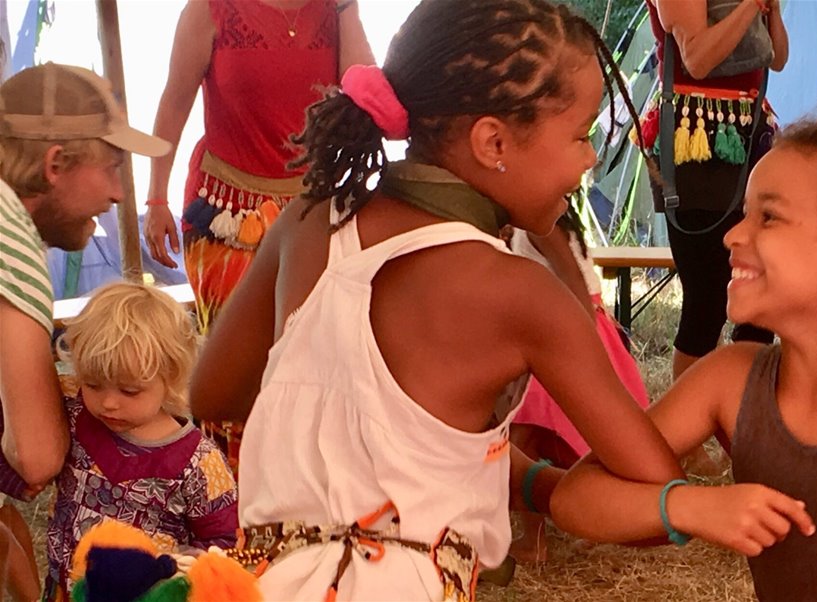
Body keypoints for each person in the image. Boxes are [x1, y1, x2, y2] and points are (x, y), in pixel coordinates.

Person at [189, 0, 686, 598]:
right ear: (493, 141)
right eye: (581, 135)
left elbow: (212, 392)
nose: (589, 159)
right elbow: (655, 487)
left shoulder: (307, 220)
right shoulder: (522, 292)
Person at [551, 118, 817, 601]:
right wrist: (691, 507)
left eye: (768, 217)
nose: (731, 235)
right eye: (745, 213)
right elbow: (574, 498)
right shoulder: (730, 380)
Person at [143, 0, 375, 472]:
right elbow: (174, 101)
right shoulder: (210, 10)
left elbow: (365, 94)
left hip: (311, 207)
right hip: (224, 208)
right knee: (237, 359)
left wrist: (347, 8)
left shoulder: (335, 11)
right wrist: (156, 198)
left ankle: (299, 483)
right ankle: (230, 494)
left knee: (312, 353)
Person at [0, 62, 171, 600]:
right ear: (55, 164)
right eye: (111, 168)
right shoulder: (8, 235)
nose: (119, 194)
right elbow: (39, 454)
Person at [43, 281, 239, 600]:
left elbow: (223, 540)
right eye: (93, 384)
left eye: (129, 390)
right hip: (64, 589)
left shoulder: (198, 464)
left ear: (171, 376)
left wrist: (181, 575)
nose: (108, 402)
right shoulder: (75, 408)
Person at [638, 0, 789, 380]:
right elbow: (697, 59)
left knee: (760, 296)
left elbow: (778, 59)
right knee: (706, 299)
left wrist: (773, 13)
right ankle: (688, 428)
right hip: (696, 138)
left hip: (749, 132)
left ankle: (744, 414)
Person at [507, 207, 650, 562]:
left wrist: (583, 350)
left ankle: (536, 539)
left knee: (525, 437)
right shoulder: (542, 225)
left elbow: (574, 285)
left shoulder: (541, 228)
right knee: (542, 439)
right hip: (568, 332)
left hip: (565, 334)